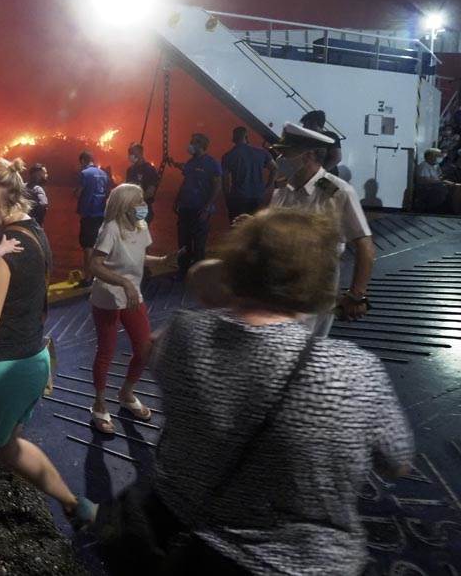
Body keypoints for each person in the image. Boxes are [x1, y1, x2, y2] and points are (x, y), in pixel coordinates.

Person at [112, 208, 412, 574]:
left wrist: (242, 264)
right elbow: (397, 461)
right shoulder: (353, 370)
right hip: (306, 564)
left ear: (235, 267)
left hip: (188, 548)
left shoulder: (184, 337)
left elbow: (199, 282)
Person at [0, 158, 95, 576]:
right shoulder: (37, 233)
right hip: (34, 362)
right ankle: (77, 504)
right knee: (7, 446)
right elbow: (19, 304)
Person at [239, 123, 374, 338]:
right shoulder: (282, 190)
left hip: (313, 293)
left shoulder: (337, 192)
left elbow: (364, 245)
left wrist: (357, 295)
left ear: (307, 155)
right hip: (275, 288)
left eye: (285, 153)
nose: (279, 159)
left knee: (301, 355)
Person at [87, 184, 168, 435]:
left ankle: (126, 393)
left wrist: (165, 261)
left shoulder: (142, 226)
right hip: (108, 298)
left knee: (144, 348)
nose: (144, 205)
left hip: (133, 296)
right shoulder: (110, 229)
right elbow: (96, 265)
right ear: (125, 205)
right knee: (106, 352)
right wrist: (123, 282)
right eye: (139, 201)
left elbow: (139, 257)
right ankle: (99, 404)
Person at [166, 133, 222, 279]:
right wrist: (177, 200)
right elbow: (185, 182)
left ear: (200, 145)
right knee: (183, 241)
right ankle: (183, 271)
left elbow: (217, 186)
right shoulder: (191, 162)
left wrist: (207, 207)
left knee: (199, 244)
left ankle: (199, 276)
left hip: (200, 209)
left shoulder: (211, 163)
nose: (189, 145)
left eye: (192, 143)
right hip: (185, 208)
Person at [221, 126, 277, 222]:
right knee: (253, 228)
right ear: (246, 137)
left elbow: (225, 181)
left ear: (233, 138)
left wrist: (227, 199)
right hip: (258, 197)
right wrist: (268, 186)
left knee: (237, 228)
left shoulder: (228, 156)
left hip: (238, 198)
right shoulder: (261, 152)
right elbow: (274, 168)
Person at [74, 150, 109, 287]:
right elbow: (106, 192)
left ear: (83, 161)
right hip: (101, 214)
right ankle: (99, 275)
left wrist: (75, 194)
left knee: (88, 247)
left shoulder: (84, 174)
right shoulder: (104, 174)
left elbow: (79, 192)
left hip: (88, 214)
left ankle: (88, 278)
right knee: (99, 246)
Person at [125, 143, 160, 225]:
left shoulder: (149, 170)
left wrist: (137, 201)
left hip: (143, 208)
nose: (130, 156)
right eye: (129, 153)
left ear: (139, 154)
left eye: (132, 153)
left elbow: (150, 192)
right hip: (130, 209)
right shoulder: (130, 170)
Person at [413, 148, 456, 213]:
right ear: (430, 157)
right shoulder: (424, 166)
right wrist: (440, 182)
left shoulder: (436, 166)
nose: (440, 158)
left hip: (435, 185)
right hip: (425, 188)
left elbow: (439, 177)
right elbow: (424, 180)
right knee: (441, 190)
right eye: (438, 156)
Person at [299, 110, 341, 174]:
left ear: (314, 123)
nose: (303, 127)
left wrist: (319, 173)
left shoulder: (330, 136)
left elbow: (336, 158)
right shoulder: (305, 140)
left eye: (305, 124)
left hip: (326, 178)